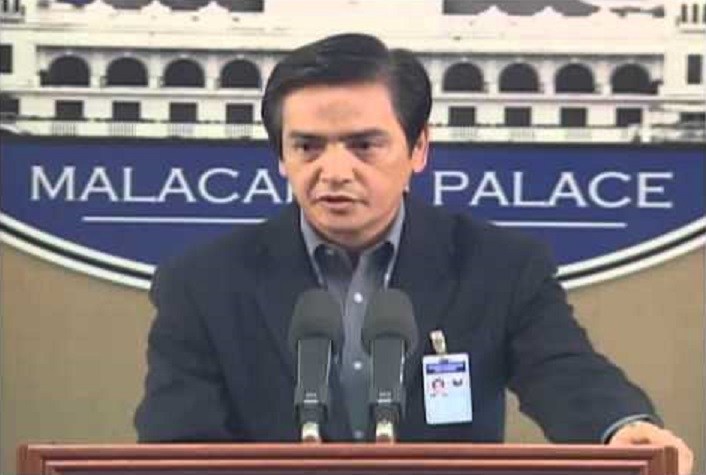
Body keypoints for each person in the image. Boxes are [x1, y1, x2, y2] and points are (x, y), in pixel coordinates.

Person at [134, 33, 693, 474]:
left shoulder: (498, 267)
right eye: (307, 146)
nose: (334, 171)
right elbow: (178, 440)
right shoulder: (203, 283)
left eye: (364, 145)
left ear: (418, 147)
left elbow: (564, 371)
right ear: (281, 156)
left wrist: (621, 428)